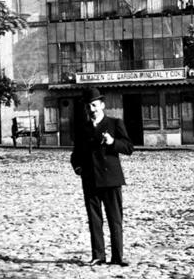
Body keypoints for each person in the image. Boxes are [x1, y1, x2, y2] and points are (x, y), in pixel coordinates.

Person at [70, 87, 134, 266]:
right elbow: (75, 155)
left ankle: (117, 257)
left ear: (102, 105)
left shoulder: (115, 123)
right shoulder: (82, 129)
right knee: (94, 220)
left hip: (111, 179)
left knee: (115, 219)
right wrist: (78, 168)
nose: (91, 109)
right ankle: (98, 255)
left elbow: (128, 148)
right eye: (88, 106)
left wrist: (113, 142)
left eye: (94, 105)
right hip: (90, 181)